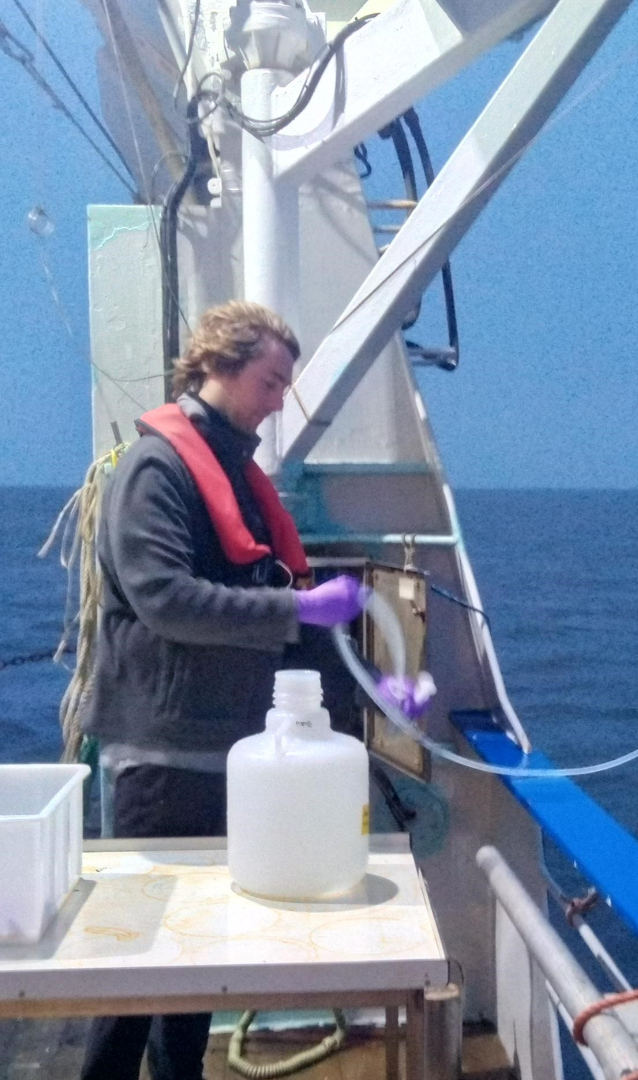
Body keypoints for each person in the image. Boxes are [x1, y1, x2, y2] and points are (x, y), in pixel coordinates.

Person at [78, 300, 421, 1080]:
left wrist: (380, 688)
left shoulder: (237, 474)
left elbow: (281, 625)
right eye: (270, 381)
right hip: (161, 759)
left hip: (224, 749)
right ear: (215, 367)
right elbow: (164, 596)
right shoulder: (155, 472)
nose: (277, 402)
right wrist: (297, 605)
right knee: (134, 961)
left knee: (196, 958)